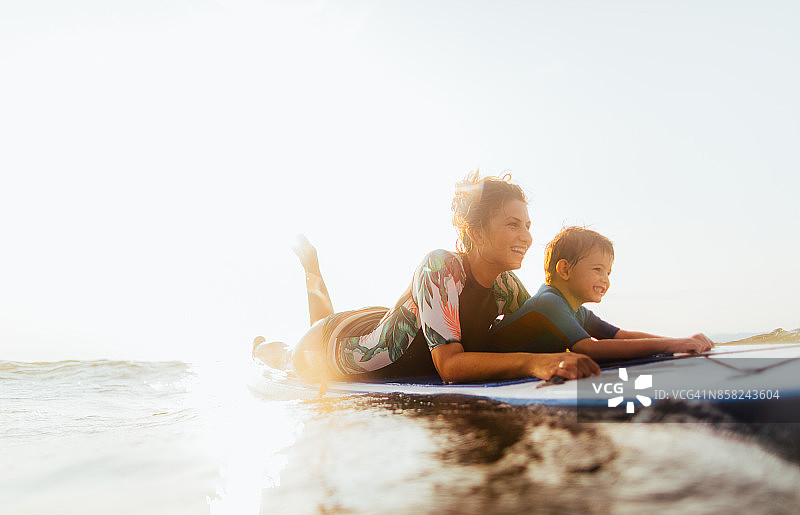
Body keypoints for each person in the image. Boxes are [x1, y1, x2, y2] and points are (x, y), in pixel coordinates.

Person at [253, 172, 601, 384]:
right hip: (330, 344)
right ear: (476, 232)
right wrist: (535, 363)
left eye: (527, 226)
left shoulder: (504, 285)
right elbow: (449, 367)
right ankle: (261, 343)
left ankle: (312, 271)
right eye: (513, 225)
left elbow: (546, 325)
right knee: (285, 354)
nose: (526, 237)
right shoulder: (440, 267)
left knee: (334, 325)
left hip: (383, 320)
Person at [487, 226, 714, 359]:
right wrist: (671, 346)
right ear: (564, 269)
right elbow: (589, 348)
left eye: (608, 273)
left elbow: (619, 335)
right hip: (486, 368)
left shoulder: (576, 311)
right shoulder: (548, 303)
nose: (605, 280)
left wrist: (680, 341)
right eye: (597, 269)